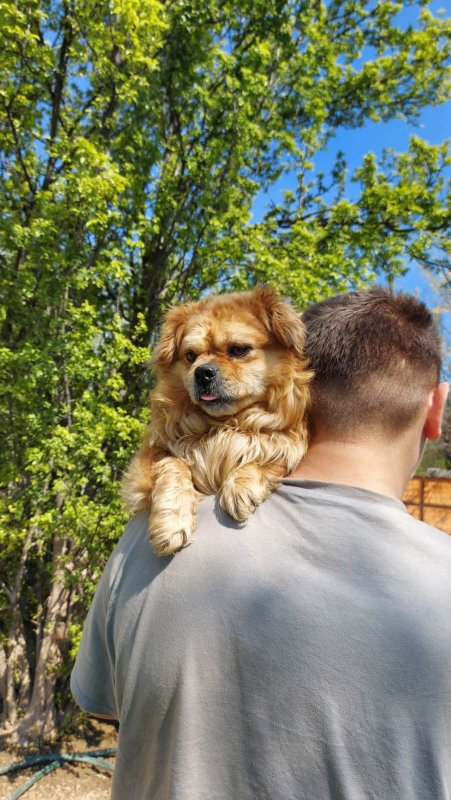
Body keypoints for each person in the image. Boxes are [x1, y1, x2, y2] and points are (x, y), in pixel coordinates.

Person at [71, 287, 451, 800]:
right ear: (436, 407)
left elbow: (102, 703)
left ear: (303, 378)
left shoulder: (139, 545)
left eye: (238, 351)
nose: (207, 368)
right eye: (194, 357)